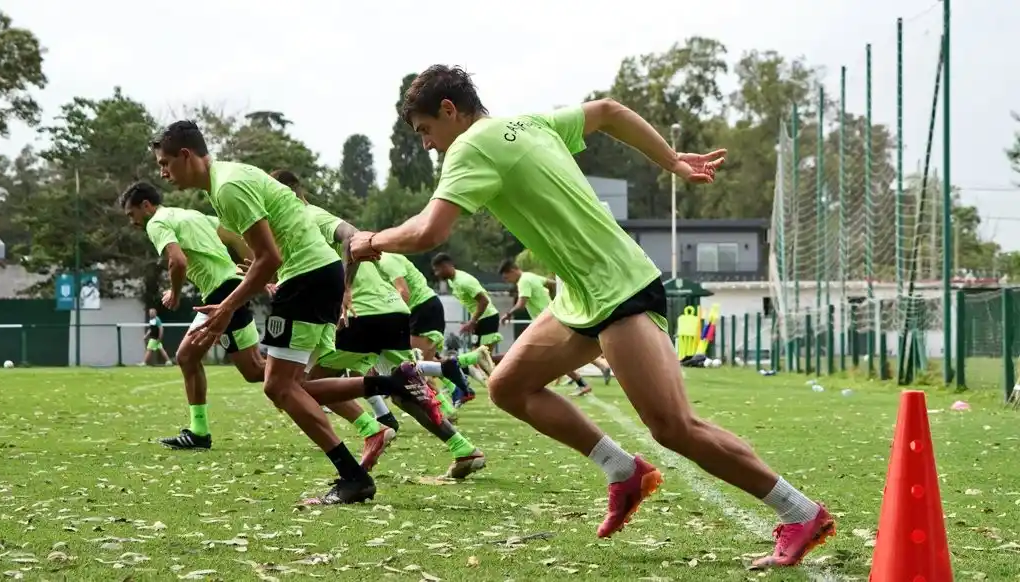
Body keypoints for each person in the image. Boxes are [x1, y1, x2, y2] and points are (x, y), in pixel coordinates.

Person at [346, 66, 833, 568]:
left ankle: (801, 512)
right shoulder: (530, 123)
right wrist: (671, 161)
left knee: (673, 426)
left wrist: (370, 242)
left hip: (618, 288)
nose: (427, 145)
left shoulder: (470, 147)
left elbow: (429, 231)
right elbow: (608, 111)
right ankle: (623, 470)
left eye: (425, 130)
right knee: (509, 386)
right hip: (581, 295)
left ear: (449, 110)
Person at [151, 120, 434, 505]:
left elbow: (270, 258)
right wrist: (250, 276)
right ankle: (392, 384)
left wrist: (227, 308)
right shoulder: (226, 183)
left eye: (165, 163)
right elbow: (264, 253)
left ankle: (354, 477)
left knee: (277, 386)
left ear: (187, 155)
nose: (163, 173)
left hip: (307, 277)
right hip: (317, 275)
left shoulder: (228, 186)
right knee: (294, 384)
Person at [269, 170, 486, 479]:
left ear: (285, 194)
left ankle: (372, 429)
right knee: (404, 389)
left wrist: (344, 289)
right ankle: (463, 448)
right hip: (392, 310)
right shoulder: (298, 225)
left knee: (296, 388)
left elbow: (352, 236)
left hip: (362, 313)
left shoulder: (309, 216)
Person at [121, 181, 265, 450]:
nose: (132, 222)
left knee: (244, 368)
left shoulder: (157, 223)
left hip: (221, 293)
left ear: (146, 206)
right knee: (251, 368)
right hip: (231, 286)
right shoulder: (190, 215)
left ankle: (319, 384)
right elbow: (234, 236)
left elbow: (178, 261)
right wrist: (258, 270)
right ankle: (199, 432)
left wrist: (174, 293)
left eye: (132, 214)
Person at [375, 250, 492, 405]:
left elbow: (404, 293)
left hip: (422, 309)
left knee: (412, 366)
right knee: (421, 372)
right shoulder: (375, 266)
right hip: (422, 309)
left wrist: (391, 323)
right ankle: (449, 406)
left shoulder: (386, 260)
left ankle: (468, 366)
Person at [498, 258, 593, 397]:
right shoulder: (531, 276)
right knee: (553, 356)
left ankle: (530, 383)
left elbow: (521, 304)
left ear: (512, 271)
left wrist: (507, 314)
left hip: (543, 322)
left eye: (507, 277)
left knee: (534, 353)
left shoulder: (523, 281)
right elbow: (552, 283)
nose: (508, 281)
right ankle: (581, 383)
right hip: (551, 318)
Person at [430, 253, 502, 381]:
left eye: (437, 269)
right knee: (479, 357)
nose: (436, 274)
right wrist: (473, 321)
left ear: (446, 266)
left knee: (481, 357)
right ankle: (495, 380)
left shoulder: (464, 280)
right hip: (480, 320)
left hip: (488, 318)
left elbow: (484, 301)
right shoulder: (453, 282)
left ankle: (500, 379)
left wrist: (473, 321)